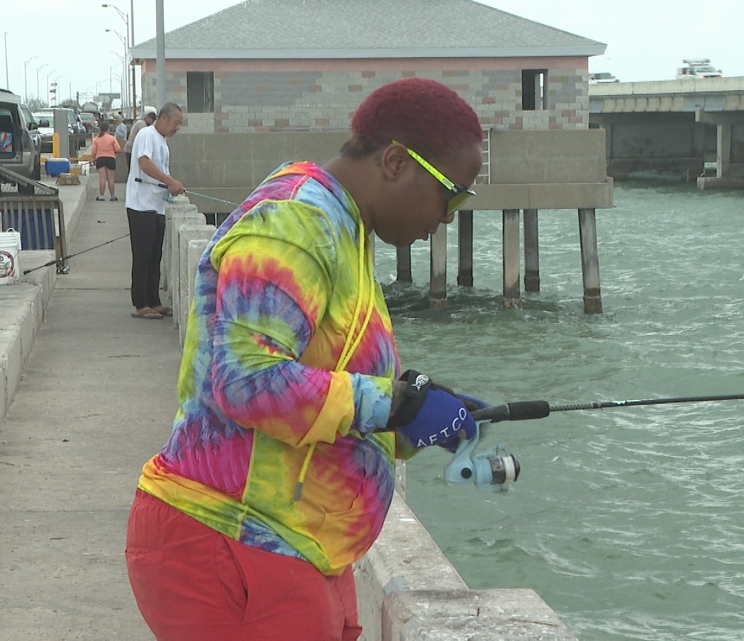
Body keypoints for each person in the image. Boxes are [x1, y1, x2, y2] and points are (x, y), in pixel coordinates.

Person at [124, 78, 484, 640]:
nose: (449, 216)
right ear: (395, 161)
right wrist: (392, 404)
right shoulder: (296, 223)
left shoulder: (345, 228)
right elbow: (247, 380)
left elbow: (324, 385)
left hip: (293, 544)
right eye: (452, 194)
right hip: (233, 543)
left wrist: (416, 421)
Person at [123, 102, 185, 320]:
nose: (177, 128)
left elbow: (160, 170)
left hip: (156, 205)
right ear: (164, 118)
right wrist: (170, 181)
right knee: (142, 255)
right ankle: (140, 304)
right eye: (176, 123)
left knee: (154, 255)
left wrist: (171, 187)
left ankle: (154, 301)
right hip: (141, 205)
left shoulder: (163, 142)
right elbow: (144, 164)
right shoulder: (147, 135)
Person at [89, 121, 123, 201]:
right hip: (110, 158)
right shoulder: (112, 138)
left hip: (100, 159)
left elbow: (93, 151)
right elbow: (118, 149)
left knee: (102, 178)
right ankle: (112, 196)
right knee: (110, 178)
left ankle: (101, 196)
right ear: (108, 129)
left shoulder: (96, 139)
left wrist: (94, 158)